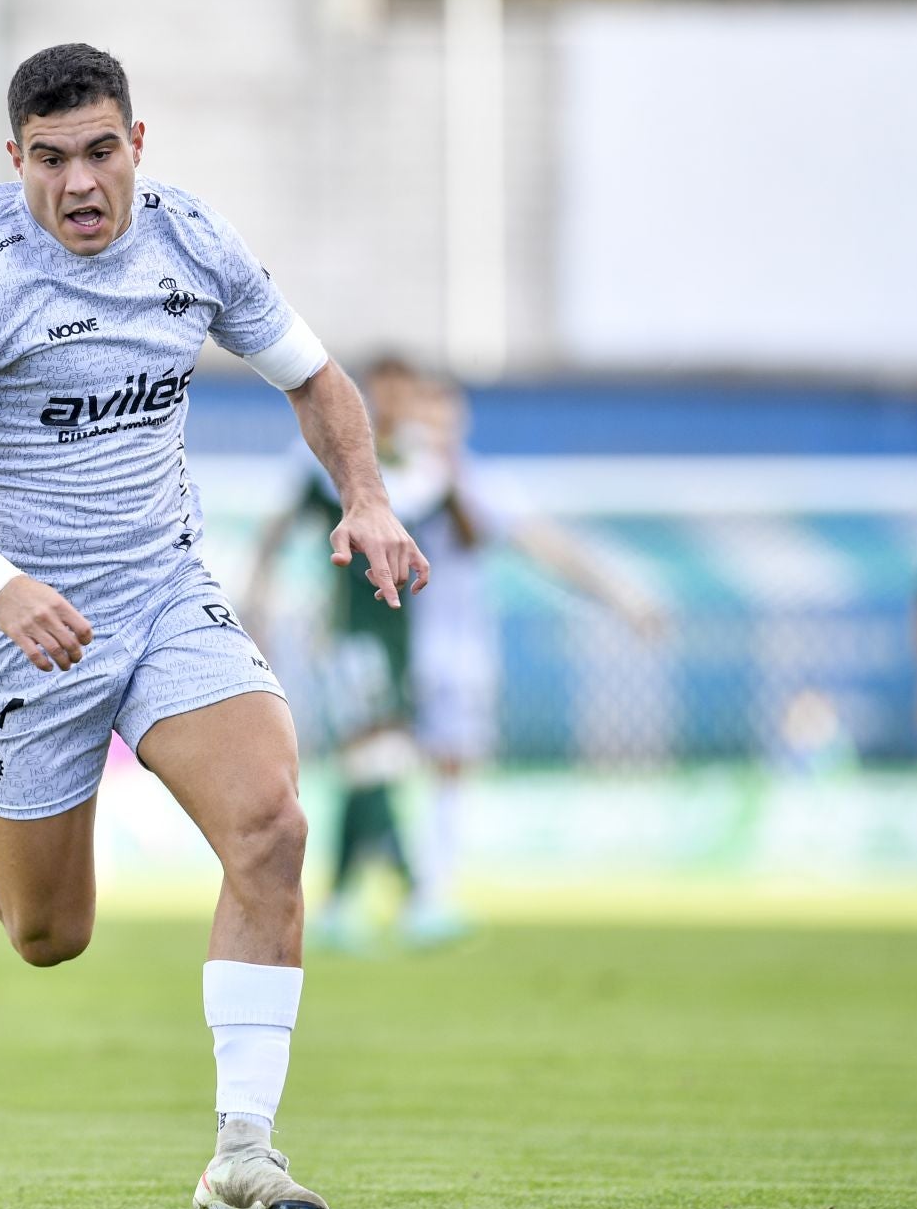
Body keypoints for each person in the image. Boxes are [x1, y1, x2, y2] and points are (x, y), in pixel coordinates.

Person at [0, 44, 426, 1209]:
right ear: (17, 164)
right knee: (49, 934)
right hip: (22, 628)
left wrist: (364, 493)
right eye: (50, 160)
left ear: (137, 145)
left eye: (100, 151)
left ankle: (242, 1153)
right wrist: (0, 583)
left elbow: (317, 381)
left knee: (272, 824)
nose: (80, 183)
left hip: (162, 589)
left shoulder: (193, 241)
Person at [251, 357, 661, 949]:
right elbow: (300, 527)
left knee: (423, 765)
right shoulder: (373, 474)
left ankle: (398, 894)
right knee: (374, 761)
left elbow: (543, 545)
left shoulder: (461, 482)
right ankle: (403, 895)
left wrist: (622, 598)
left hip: (449, 648)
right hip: (384, 637)